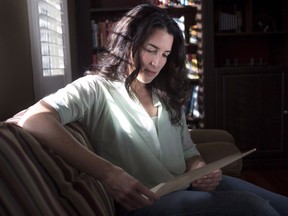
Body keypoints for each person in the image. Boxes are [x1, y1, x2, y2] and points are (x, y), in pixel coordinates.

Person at [16, 4, 288, 216]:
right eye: (151, 49)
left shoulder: (166, 92)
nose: (157, 62)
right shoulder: (95, 88)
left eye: (166, 54)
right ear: (128, 43)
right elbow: (35, 119)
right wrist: (109, 174)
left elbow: (188, 150)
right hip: (145, 203)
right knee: (253, 207)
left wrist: (201, 168)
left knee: (281, 204)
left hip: (184, 185)